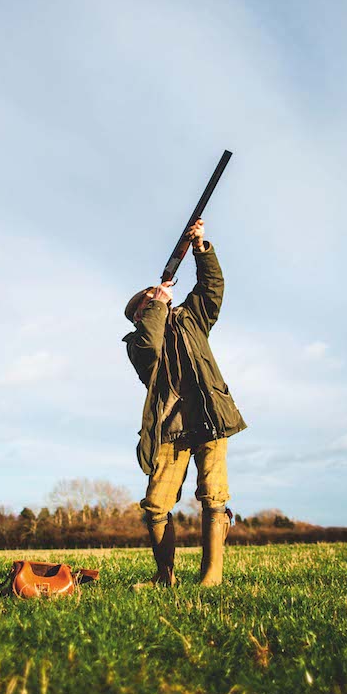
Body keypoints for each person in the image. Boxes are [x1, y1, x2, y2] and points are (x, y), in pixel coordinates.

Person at [122, 218, 246, 587]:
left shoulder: (192, 319)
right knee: (157, 506)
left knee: (213, 495)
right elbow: (151, 345)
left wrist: (200, 248)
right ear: (139, 315)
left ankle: (212, 575)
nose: (158, 298)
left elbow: (212, 289)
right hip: (171, 428)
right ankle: (166, 576)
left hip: (210, 417)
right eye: (148, 302)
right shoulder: (135, 343)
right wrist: (156, 306)